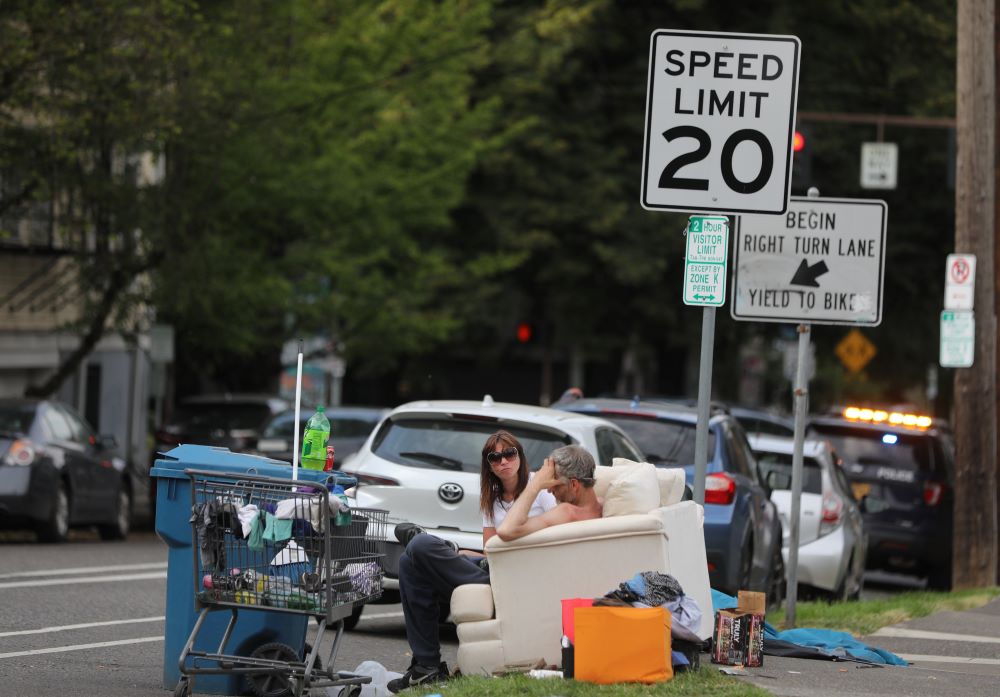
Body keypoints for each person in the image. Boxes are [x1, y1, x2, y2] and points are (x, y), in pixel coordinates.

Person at [387, 440, 601, 693]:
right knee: (410, 562)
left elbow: (507, 530)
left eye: (554, 486)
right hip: (501, 565)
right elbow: (495, 544)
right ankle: (426, 667)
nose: (551, 491)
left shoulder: (567, 511)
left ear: (574, 484)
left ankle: (429, 546)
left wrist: (534, 485)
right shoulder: (596, 507)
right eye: (494, 457)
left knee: (420, 547)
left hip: (509, 577)